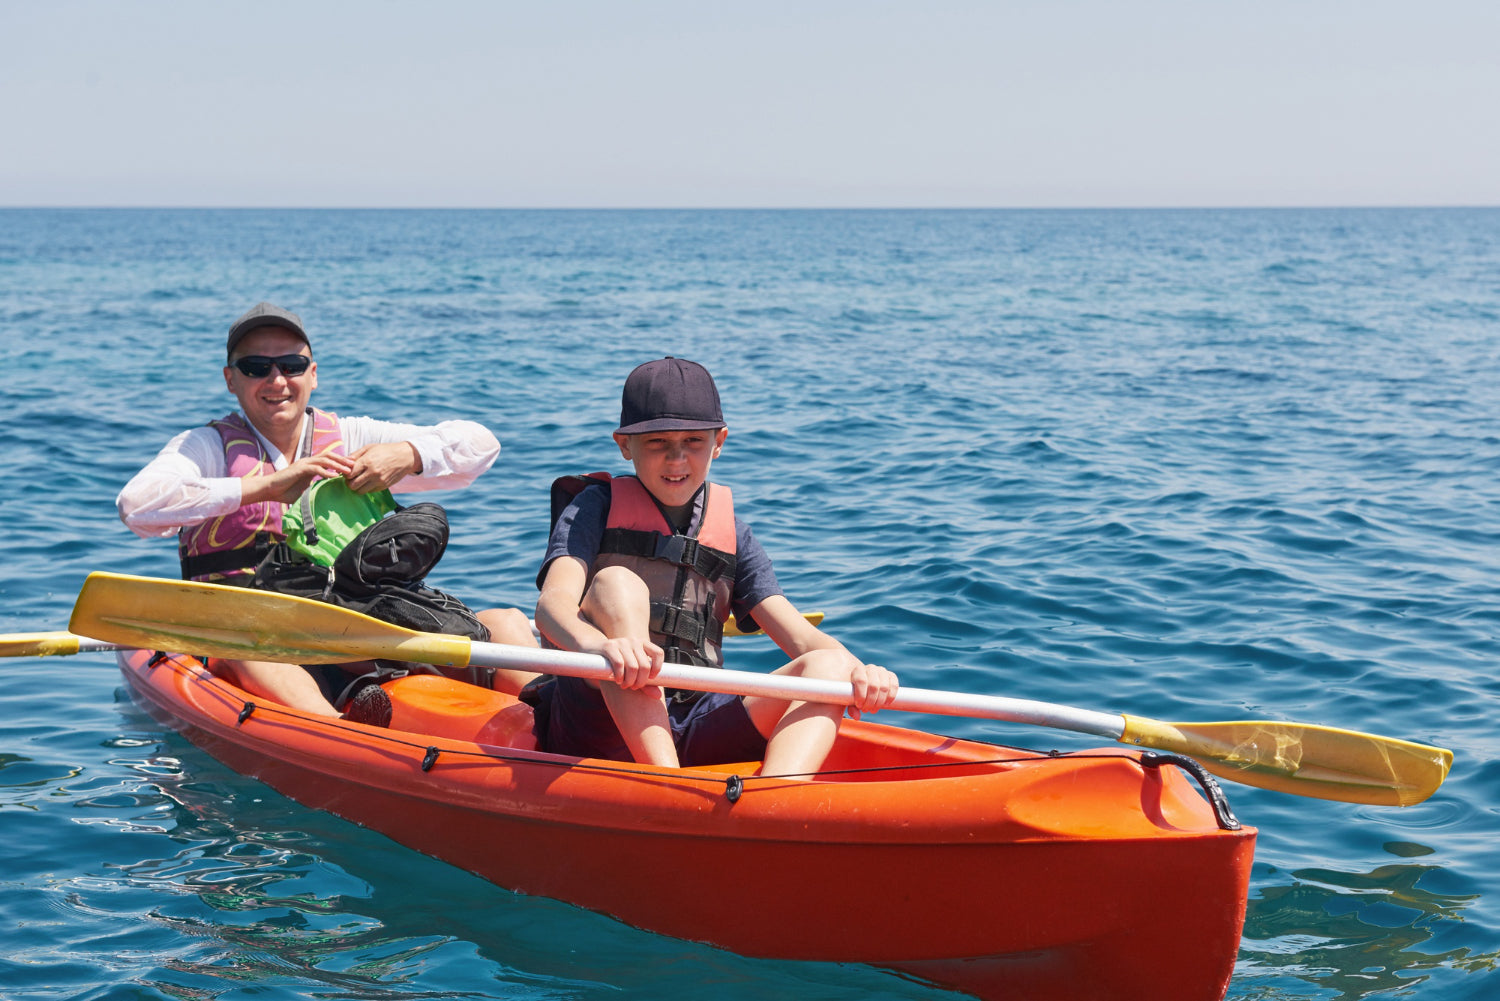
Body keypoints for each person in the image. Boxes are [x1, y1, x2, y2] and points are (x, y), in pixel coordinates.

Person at [118, 301, 538, 720]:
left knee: (504, 622)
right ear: (231, 379)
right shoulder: (206, 448)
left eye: (291, 365)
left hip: (357, 622)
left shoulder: (354, 436)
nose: (277, 379)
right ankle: (342, 733)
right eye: (256, 367)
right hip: (257, 634)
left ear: (313, 375)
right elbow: (138, 507)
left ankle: (554, 721)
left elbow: (481, 444)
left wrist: (408, 454)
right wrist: (266, 487)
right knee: (249, 649)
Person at [533, 357, 899, 774]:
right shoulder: (592, 509)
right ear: (624, 445)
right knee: (616, 583)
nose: (676, 459)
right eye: (657, 442)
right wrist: (601, 648)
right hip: (598, 720)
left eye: (693, 441)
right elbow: (552, 608)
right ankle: (668, 788)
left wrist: (862, 671)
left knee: (830, 667)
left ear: (719, 441)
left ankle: (773, 805)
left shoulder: (733, 534)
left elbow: (802, 638)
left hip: (694, 719)